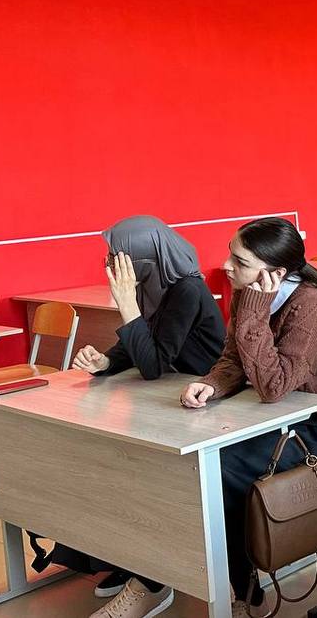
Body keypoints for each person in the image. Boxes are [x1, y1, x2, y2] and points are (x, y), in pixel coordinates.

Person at [91, 217, 317, 618]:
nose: (227, 266)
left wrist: (254, 312)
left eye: (240, 261)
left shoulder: (311, 304)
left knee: (215, 472)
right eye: (231, 255)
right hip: (271, 423)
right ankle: (160, 577)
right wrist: (211, 385)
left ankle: (233, 588)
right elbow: (233, 359)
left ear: (275, 272)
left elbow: (274, 385)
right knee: (181, 466)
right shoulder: (251, 293)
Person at [64, 216, 226, 604]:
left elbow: (153, 365)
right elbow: (140, 346)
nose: (110, 265)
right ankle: (132, 556)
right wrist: (106, 361)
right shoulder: (154, 286)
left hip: (207, 404)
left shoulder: (187, 290)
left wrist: (125, 303)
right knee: (111, 461)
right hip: (170, 399)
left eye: (117, 257)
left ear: (145, 258)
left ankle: (153, 569)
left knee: (141, 473)